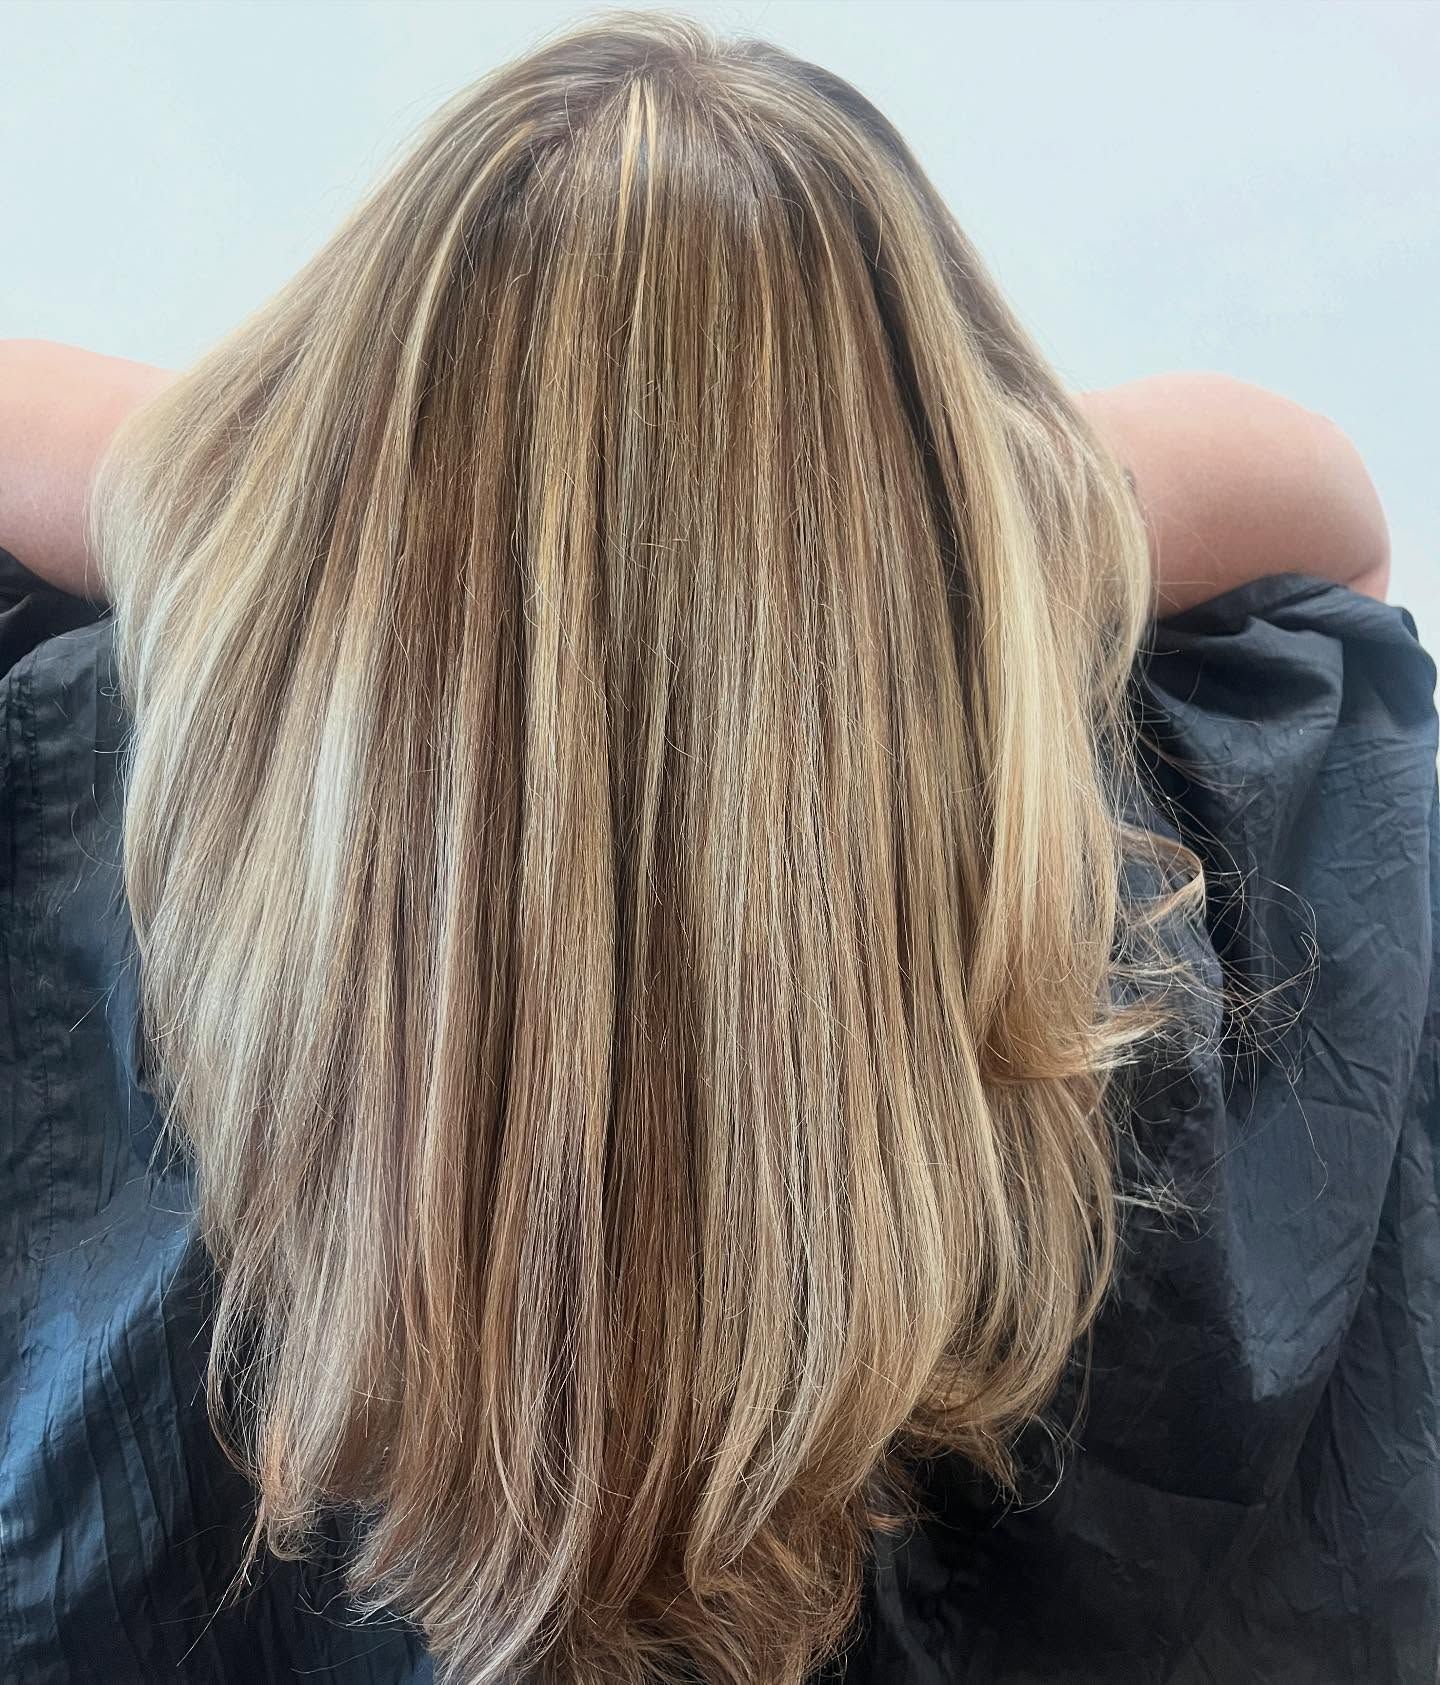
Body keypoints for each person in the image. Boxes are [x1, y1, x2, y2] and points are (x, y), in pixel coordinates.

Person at [0, 14, 1434, 1685]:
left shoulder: (128, 749)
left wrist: (324, 502)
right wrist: (912, 518)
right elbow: (1325, 500)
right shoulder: (1124, 733)